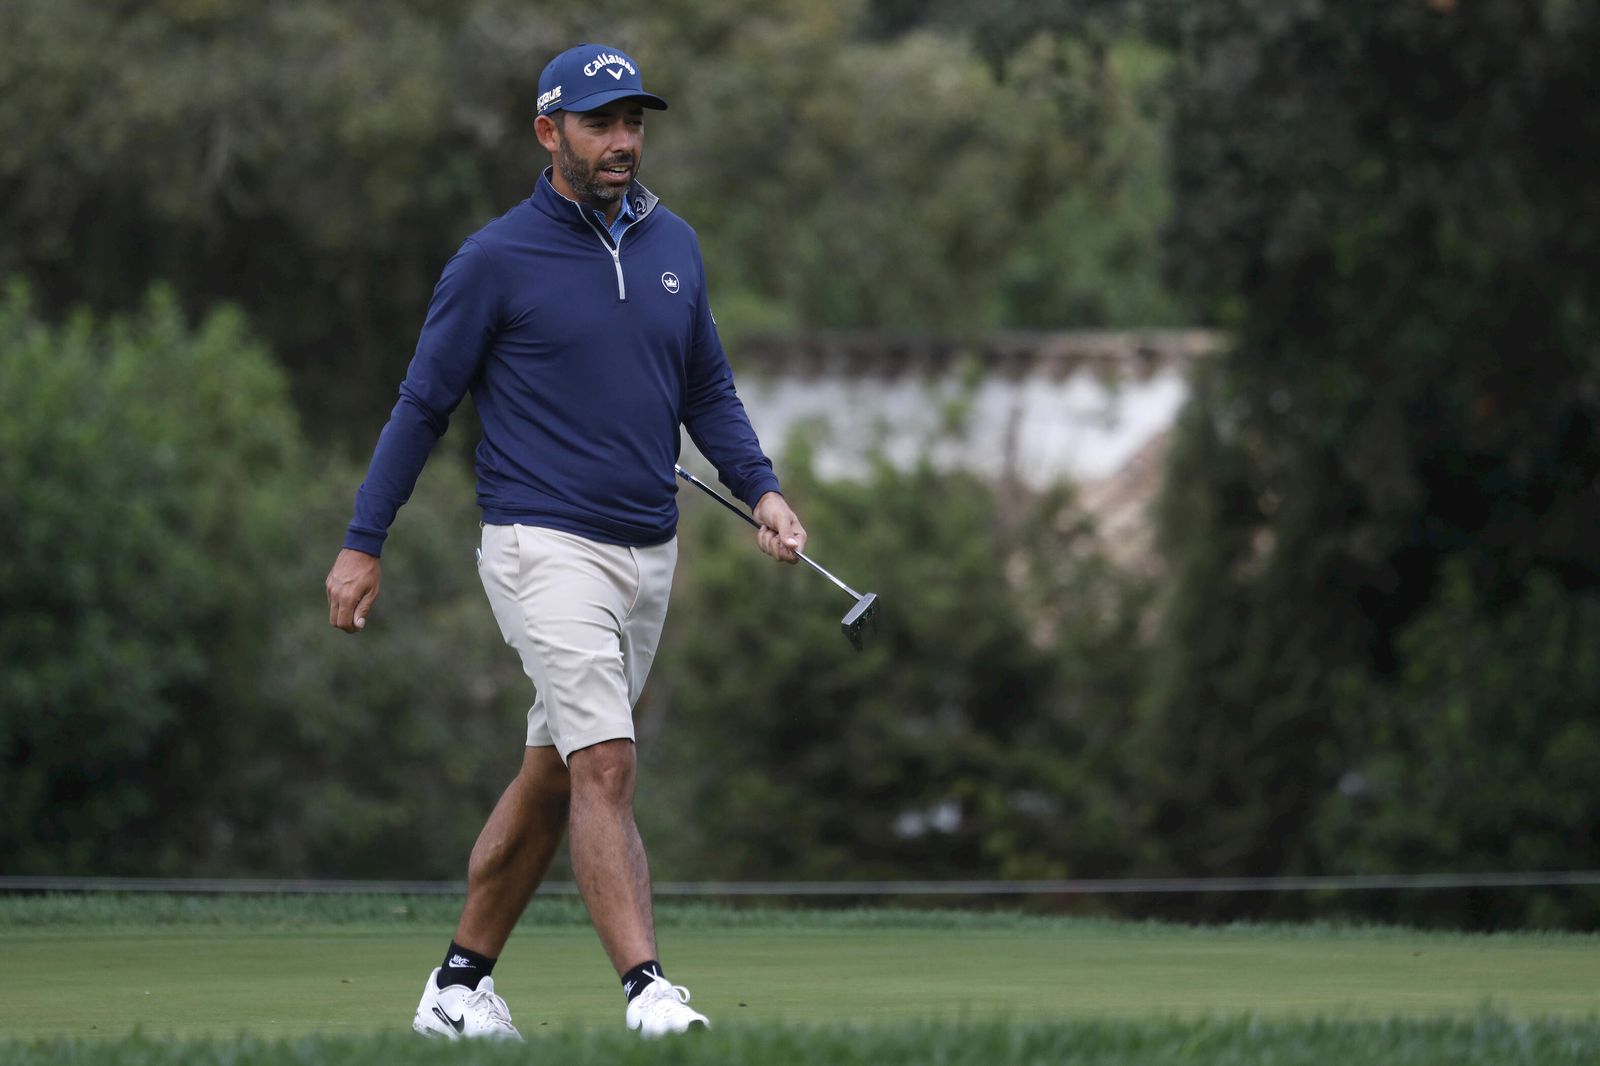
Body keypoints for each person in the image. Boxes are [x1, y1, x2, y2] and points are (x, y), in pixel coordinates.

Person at [323, 42, 806, 1041]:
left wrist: (761, 488)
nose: (624, 140)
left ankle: (456, 987)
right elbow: (423, 403)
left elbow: (705, 388)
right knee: (609, 762)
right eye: (602, 122)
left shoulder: (674, 244)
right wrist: (363, 540)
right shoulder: (494, 258)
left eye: (634, 121)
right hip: (539, 545)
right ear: (550, 133)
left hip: (647, 553)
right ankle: (648, 991)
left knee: (557, 770)